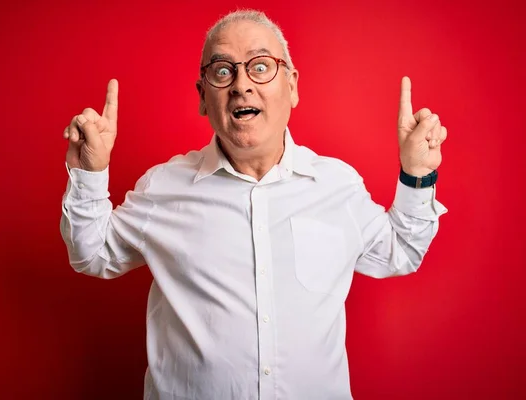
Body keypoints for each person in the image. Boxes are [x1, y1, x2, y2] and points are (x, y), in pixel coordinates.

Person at [60, 9, 448, 400]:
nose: (242, 85)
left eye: (261, 67)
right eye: (223, 71)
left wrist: (417, 174)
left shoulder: (338, 186)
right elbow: (92, 253)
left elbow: (401, 251)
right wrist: (90, 173)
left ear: (292, 86)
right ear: (202, 97)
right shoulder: (164, 188)